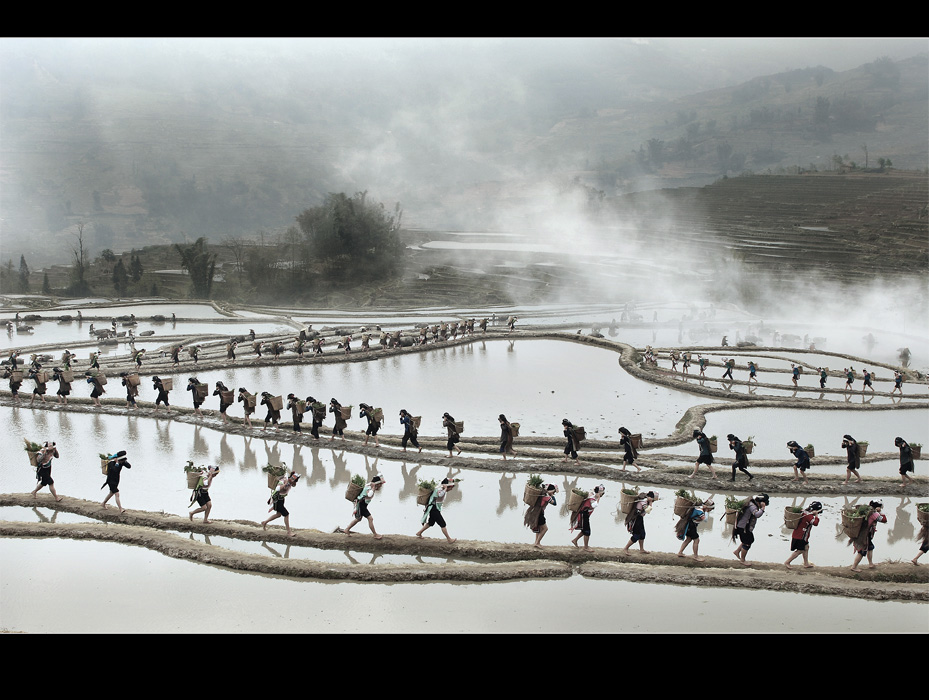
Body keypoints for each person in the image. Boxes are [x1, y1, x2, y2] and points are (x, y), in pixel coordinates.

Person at [342, 474, 386, 539]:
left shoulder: (369, 485)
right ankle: (375, 534)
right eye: (380, 484)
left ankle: (347, 529)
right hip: (361, 504)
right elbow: (369, 494)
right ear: (377, 484)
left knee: (358, 519)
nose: (381, 486)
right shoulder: (369, 488)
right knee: (370, 519)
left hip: (362, 504)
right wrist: (373, 488)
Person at [415, 477, 457, 543]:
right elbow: (440, 495)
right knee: (443, 524)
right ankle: (449, 539)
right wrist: (445, 489)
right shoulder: (439, 489)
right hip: (434, 509)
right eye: (451, 487)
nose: (451, 489)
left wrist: (445, 489)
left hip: (434, 508)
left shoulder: (441, 489)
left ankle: (419, 533)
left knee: (431, 523)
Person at [850, 500, 887, 572]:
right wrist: (880, 512)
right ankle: (854, 567)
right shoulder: (873, 513)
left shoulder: (866, 510)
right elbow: (884, 520)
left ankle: (870, 564)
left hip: (863, 533)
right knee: (862, 551)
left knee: (870, 547)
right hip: (866, 535)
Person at [732, 493, 768, 566]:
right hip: (744, 527)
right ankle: (742, 560)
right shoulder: (752, 506)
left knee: (749, 540)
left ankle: (737, 551)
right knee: (747, 543)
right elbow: (757, 515)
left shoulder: (751, 503)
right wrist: (763, 508)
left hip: (742, 526)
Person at [784, 501, 823, 569]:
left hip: (799, 535)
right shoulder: (808, 516)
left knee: (806, 547)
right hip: (800, 536)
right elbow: (815, 523)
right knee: (800, 550)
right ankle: (787, 562)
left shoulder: (804, 512)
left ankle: (806, 563)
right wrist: (816, 515)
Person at [262, 471, 300, 537]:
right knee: (286, 514)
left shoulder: (290, 482)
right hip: (277, 500)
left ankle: (264, 522)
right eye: (295, 481)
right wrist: (285, 484)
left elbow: (292, 485)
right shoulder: (284, 480)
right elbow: (277, 488)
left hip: (281, 500)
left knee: (279, 514)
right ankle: (289, 532)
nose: (296, 483)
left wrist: (291, 482)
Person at [523, 483, 558, 547]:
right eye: (553, 491)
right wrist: (552, 495)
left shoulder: (541, 495)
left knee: (539, 528)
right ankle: (537, 543)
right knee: (545, 529)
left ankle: (536, 542)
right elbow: (554, 503)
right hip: (539, 514)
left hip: (534, 512)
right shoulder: (546, 497)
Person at [570, 485, 604, 550]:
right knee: (587, 531)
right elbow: (594, 505)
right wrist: (598, 498)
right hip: (584, 515)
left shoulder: (591, 494)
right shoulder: (592, 498)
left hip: (585, 514)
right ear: (599, 492)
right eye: (601, 492)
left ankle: (575, 540)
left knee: (584, 530)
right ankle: (586, 547)